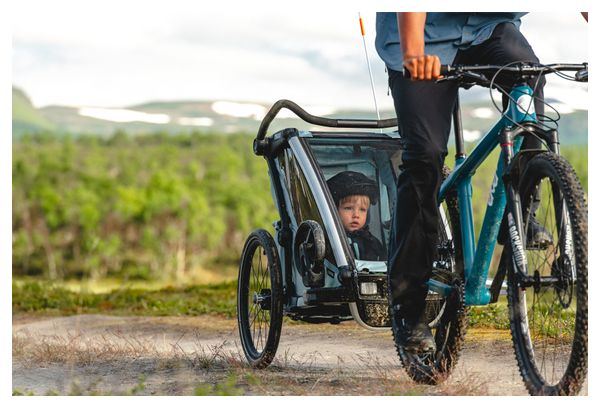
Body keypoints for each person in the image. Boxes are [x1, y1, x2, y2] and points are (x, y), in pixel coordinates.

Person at [375, 12, 586, 353]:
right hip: (420, 36)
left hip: (489, 30)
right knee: (424, 158)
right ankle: (408, 306)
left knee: (529, 79)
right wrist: (413, 53)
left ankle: (519, 214)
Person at [327, 171, 386, 261]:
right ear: (333, 209)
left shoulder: (372, 243)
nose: (356, 215)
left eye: (362, 209)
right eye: (348, 208)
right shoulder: (328, 242)